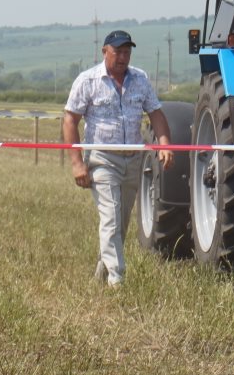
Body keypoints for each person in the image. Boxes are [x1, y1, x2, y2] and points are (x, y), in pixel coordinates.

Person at [63, 30, 174, 287]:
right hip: (102, 158)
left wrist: (165, 144)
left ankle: (102, 272)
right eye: (118, 52)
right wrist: (77, 162)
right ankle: (117, 281)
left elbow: (156, 114)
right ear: (105, 52)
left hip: (133, 159)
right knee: (111, 218)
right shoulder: (87, 81)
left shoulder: (141, 79)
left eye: (127, 52)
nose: (123, 57)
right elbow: (70, 119)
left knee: (120, 224)